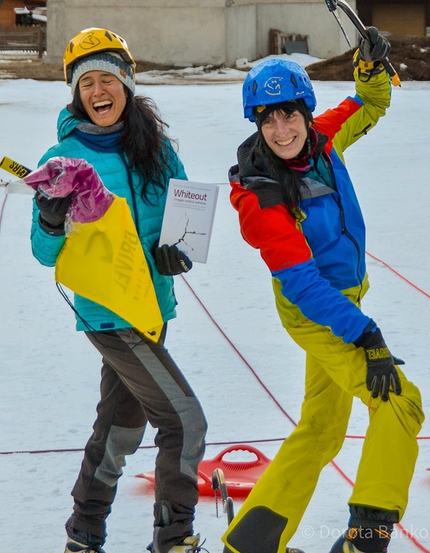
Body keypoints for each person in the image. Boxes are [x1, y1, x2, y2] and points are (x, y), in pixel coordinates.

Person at [221, 27, 424, 553]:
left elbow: (369, 102)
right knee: (401, 403)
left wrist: (371, 65)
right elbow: (304, 284)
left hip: (344, 303)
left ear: (306, 113)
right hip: (316, 313)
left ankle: (251, 542)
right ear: (256, 123)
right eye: (268, 119)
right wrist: (367, 335)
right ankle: (368, 539)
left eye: (289, 113)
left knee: (322, 429)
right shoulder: (259, 197)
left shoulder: (324, 139)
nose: (281, 129)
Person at [30, 28, 207, 553]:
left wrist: (180, 251)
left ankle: (83, 533)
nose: (98, 91)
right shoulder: (62, 158)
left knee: (120, 426)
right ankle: (174, 537)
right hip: (109, 315)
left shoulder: (157, 148)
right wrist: (50, 217)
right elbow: (44, 253)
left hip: (154, 308)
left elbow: (184, 222)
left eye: (108, 78)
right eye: (87, 83)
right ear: (75, 93)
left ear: (127, 85)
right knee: (185, 421)